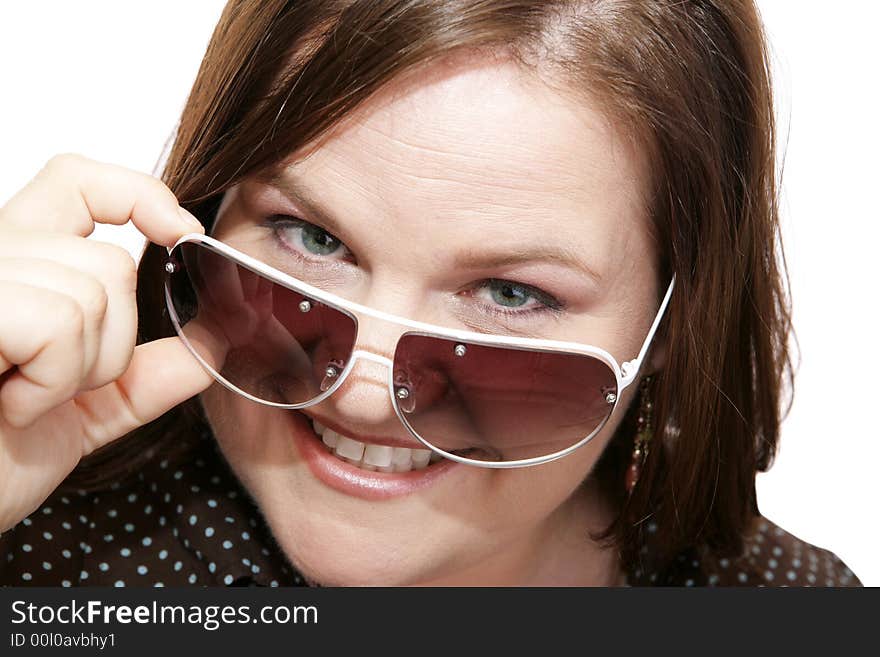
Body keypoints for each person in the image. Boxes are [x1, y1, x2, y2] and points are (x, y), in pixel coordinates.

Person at [0, 0, 861, 587]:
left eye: (509, 292)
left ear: (677, 318)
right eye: (313, 238)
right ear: (203, 213)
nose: (367, 392)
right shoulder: (46, 558)